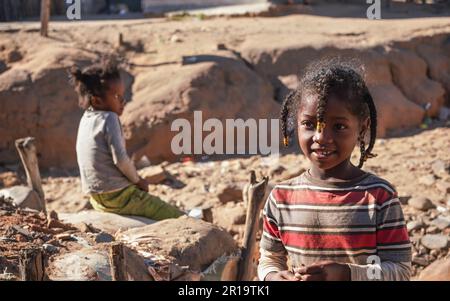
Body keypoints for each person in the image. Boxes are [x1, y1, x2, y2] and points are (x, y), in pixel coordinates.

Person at [258, 59, 411, 281]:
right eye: (309, 124)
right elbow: (269, 259)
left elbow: (401, 270)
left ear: (363, 127)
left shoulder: (379, 196)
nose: (321, 137)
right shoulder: (282, 197)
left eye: (339, 126)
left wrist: (347, 273)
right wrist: (273, 277)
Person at [69, 59, 184, 221]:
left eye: (123, 96)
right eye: (117, 97)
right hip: (120, 196)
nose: (123, 102)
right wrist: (138, 181)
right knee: (175, 216)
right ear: (97, 101)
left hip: (96, 199)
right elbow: (120, 159)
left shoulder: (86, 118)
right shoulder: (109, 118)